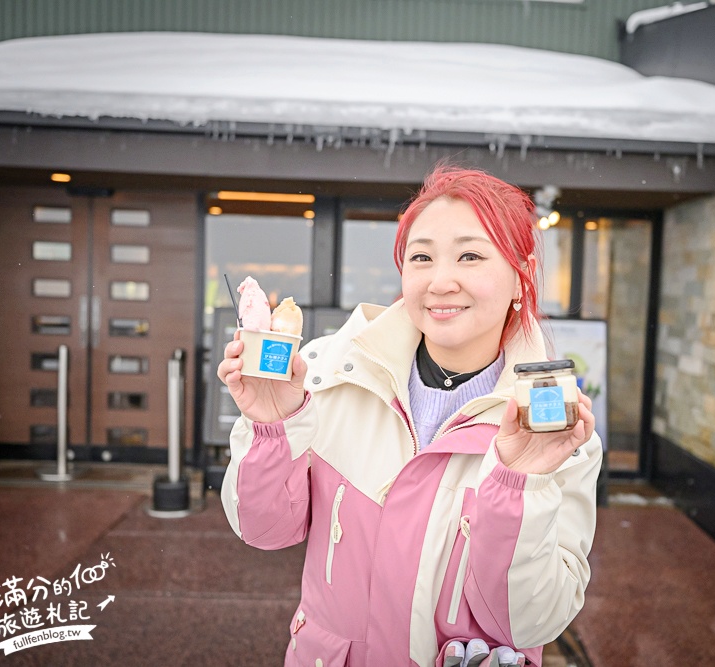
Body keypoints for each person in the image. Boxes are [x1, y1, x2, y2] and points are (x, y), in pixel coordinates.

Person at [217, 164, 603, 667]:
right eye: (421, 257)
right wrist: (272, 428)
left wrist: (518, 487)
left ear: (521, 275)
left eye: (470, 255)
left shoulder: (556, 436)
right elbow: (264, 531)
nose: (440, 281)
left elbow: (532, 621)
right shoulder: (326, 372)